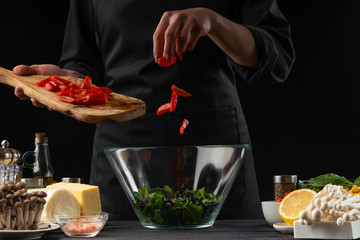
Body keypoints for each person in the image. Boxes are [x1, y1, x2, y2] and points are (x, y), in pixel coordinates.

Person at [13, 0, 295, 220]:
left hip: (214, 156)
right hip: (124, 160)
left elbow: (276, 56)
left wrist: (214, 22)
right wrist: (65, 83)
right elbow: (83, 62)